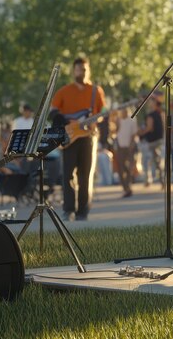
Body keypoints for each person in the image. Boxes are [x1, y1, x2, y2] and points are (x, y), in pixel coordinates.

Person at [51, 56, 106, 221]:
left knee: (85, 175)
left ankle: (83, 211)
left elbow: (102, 114)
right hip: (70, 136)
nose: (80, 72)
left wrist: (95, 120)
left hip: (88, 138)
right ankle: (68, 209)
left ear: (88, 70)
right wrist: (69, 122)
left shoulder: (96, 91)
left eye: (84, 69)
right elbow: (53, 112)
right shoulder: (64, 91)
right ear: (73, 71)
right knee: (67, 174)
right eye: (77, 69)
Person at [138, 99, 164, 188]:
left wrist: (141, 133)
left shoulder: (150, 115)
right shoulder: (161, 114)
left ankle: (148, 179)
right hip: (159, 140)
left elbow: (149, 128)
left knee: (147, 161)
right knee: (158, 162)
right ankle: (162, 180)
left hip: (152, 142)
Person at [115, 108, 138, 197]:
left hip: (129, 146)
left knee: (129, 166)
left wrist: (131, 144)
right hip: (120, 146)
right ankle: (125, 187)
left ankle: (128, 187)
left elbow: (134, 133)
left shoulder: (132, 119)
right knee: (121, 167)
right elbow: (115, 131)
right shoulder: (118, 119)